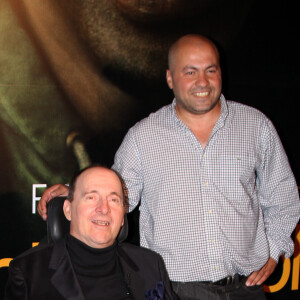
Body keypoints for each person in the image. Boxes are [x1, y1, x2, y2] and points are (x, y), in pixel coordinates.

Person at [38, 35, 300, 300]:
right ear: (170, 79)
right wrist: (74, 192)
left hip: (246, 289)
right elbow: (116, 194)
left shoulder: (256, 127)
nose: (203, 82)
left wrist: (275, 250)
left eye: (211, 70)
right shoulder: (144, 137)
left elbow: (283, 196)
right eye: (190, 72)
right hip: (174, 291)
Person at [5, 166, 176, 300]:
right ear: (68, 210)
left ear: (123, 216)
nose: (104, 208)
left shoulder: (150, 264)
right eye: (91, 197)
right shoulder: (29, 272)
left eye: (113, 200)